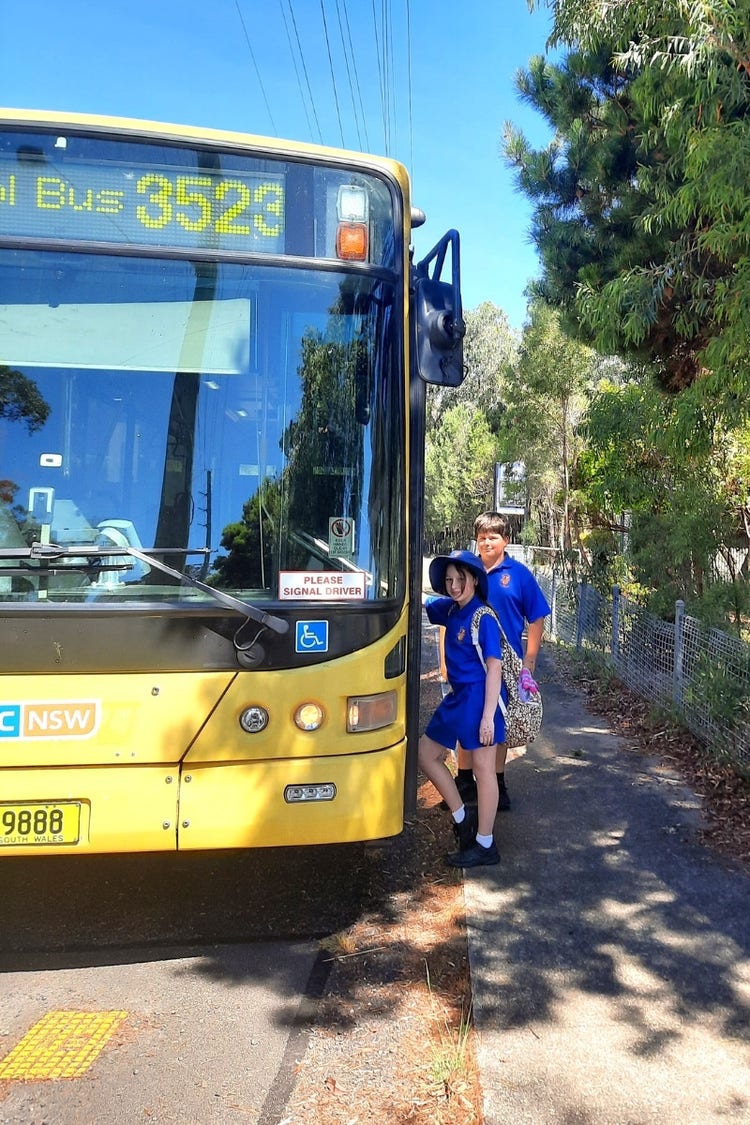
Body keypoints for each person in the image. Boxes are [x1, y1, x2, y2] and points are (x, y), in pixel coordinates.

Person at [454, 512, 551, 811]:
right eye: (482, 537)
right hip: (469, 662)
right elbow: (450, 610)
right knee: (465, 719)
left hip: (506, 663)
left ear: (505, 540)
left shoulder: (518, 575)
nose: (486, 542)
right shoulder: (466, 572)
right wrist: (447, 660)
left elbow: (536, 617)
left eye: (493, 536)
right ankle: (464, 782)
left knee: (498, 725)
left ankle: (498, 783)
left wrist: (529, 661)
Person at [418, 550, 504, 867]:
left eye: (460, 579)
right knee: (425, 754)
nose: (454, 586)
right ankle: (462, 817)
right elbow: (422, 603)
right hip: (457, 699)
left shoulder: (483, 617)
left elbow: (494, 669)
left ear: (474, 580)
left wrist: (487, 718)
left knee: (483, 770)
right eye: (449, 580)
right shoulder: (451, 609)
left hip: (480, 698)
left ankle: (485, 844)